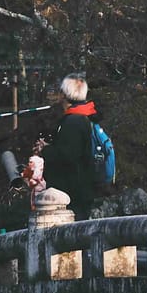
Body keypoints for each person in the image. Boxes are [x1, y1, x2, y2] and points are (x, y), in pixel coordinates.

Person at [41, 74, 100, 216]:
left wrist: (45, 150)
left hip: (72, 193)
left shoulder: (73, 121)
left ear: (64, 95)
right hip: (83, 188)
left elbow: (67, 155)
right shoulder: (87, 116)